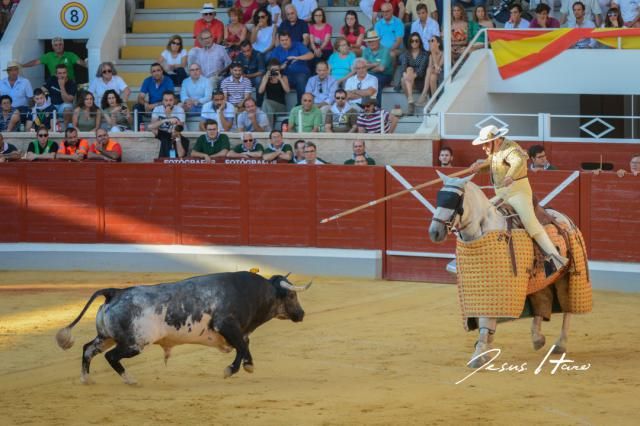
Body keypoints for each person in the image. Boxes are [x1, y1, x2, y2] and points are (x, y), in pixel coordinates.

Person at [470, 125, 568, 275]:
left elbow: (517, 162)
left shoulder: (511, 148)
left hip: (518, 192)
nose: (483, 147)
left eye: (485, 143)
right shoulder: (496, 150)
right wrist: (479, 167)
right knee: (484, 212)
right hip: (502, 193)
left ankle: (555, 258)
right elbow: (493, 164)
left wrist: (510, 175)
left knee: (529, 222)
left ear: (495, 141)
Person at [268, 30, 314, 106]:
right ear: (279, 41)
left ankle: (301, 105)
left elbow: (311, 55)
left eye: (286, 40)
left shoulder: (298, 45)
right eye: (282, 40)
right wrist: (281, 67)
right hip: (285, 76)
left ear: (290, 39)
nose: (284, 42)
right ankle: (279, 106)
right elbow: (271, 66)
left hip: (300, 74)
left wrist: (297, 58)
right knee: (272, 78)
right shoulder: (277, 50)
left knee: (301, 78)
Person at [21, 37, 87, 82]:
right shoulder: (48, 56)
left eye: (60, 44)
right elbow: (35, 62)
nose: (58, 47)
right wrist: (22, 66)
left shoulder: (70, 55)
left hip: (70, 83)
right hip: (55, 83)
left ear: (63, 45)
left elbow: (81, 62)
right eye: (56, 45)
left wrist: (91, 66)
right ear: (52, 47)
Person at [399, 32, 428, 115]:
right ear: (409, 42)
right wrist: (407, 75)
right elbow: (403, 67)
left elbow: (421, 70)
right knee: (407, 71)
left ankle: (410, 102)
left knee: (407, 73)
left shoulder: (424, 54)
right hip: (409, 79)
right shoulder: (406, 53)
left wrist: (410, 76)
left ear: (420, 42)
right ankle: (410, 101)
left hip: (420, 80)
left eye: (416, 41)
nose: (414, 43)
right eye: (412, 41)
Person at [148, 91, 186, 156]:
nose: (168, 103)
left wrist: (169, 115)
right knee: (163, 137)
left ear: (174, 101)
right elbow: (151, 126)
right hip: (161, 134)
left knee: (178, 138)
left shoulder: (180, 110)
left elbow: (180, 128)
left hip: (174, 133)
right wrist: (166, 120)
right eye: (166, 100)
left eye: (170, 100)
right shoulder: (157, 109)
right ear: (162, 101)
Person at [362, 30, 393, 106]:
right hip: (369, 75)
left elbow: (381, 68)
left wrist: (369, 66)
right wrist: (375, 64)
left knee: (375, 81)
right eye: (369, 41)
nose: (371, 43)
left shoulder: (385, 50)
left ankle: (376, 108)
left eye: (373, 41)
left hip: (384, 75)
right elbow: (363, 67)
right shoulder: (365, 51)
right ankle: (364, 107)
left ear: (378, 40)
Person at [258, 58, 290, 127]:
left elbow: (287, 91)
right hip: (269, 107)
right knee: (266, 104)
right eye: (273, 70)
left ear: (279, 69)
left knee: (266, 103)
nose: (275, 71)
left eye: (277, 70)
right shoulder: (266, 77)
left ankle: (266, 128)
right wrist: (266, 78)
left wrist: (280, 79)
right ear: (269, 70)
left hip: (281, 107)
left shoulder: (283, 77)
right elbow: (260, 91)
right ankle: (268, 127)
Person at [44, 64, 77, 129]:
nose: (62, 75)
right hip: (52, 105)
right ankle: (49, 129)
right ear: (56, 74)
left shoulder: (72, 83)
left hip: (63, 106)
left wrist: (62, 86)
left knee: (67, 109)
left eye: (64, 73)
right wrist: (46, 94)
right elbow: (43, 89)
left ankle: (65, 129)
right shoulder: (52, 79)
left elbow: (67, 101)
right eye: (59, 73)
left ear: (67, 73)